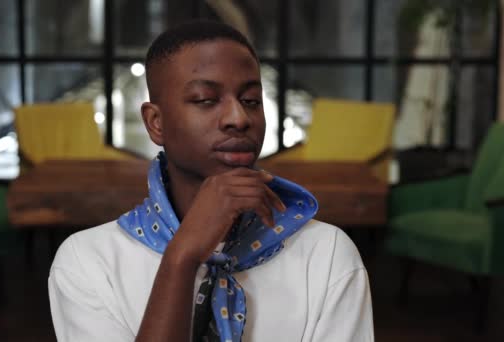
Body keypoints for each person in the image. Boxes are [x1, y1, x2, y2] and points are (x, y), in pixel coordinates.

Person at [49, 20, 374, 342]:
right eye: (206, 99)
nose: (239, 119)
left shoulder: (326, 254)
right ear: (155, 122)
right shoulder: (87, 262)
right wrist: (182, 258)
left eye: (250, 101)